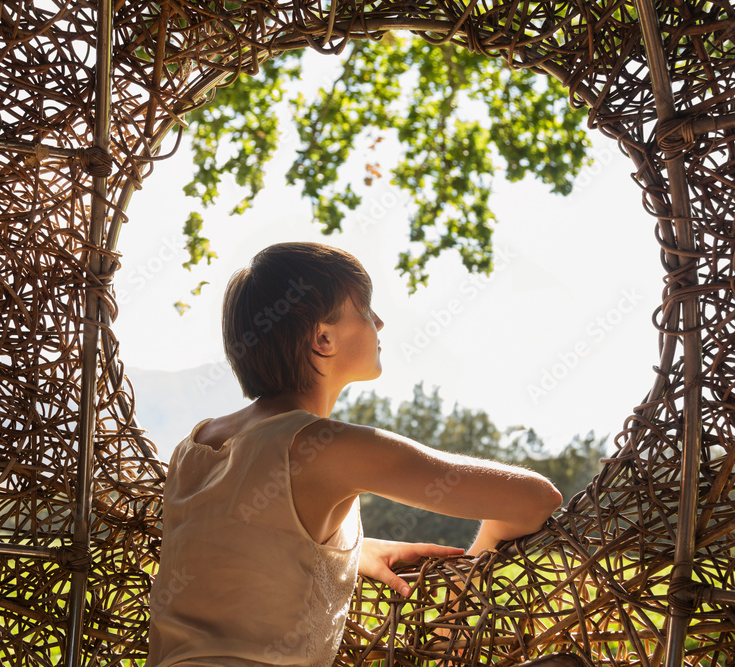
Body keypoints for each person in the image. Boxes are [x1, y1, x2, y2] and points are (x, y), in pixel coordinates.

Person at [148, 242, 565, 667]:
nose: (380, 322)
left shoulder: (195, 444)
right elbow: (537, 499)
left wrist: (350, 551)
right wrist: (474, 566)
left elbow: (233, 548)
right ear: (323, 338)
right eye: (365, 309)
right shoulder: (329, 447)